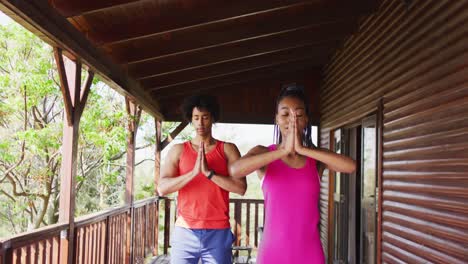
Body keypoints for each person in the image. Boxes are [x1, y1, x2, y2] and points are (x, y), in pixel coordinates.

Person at [229, 85, 356, 264]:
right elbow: (235, 170)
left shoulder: (316, 159)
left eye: (298, 114)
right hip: (272, 254)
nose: (292, 120)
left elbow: (350, 166)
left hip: (310, 254)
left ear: (306, 120)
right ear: (277, 119)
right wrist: (282, 151)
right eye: (285, 114)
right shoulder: (263, 153)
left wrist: (302, 149)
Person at [158, 94, 247, 264]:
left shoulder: (227, 149)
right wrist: (192, 174)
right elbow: (162, 188)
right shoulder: (178, 150)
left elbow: (240, 188)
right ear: (190, 119)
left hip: (218, 232)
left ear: (212, 118)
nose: (200, 123)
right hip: (185, 231)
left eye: (205, 117)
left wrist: (210, 174)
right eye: (196, 118)